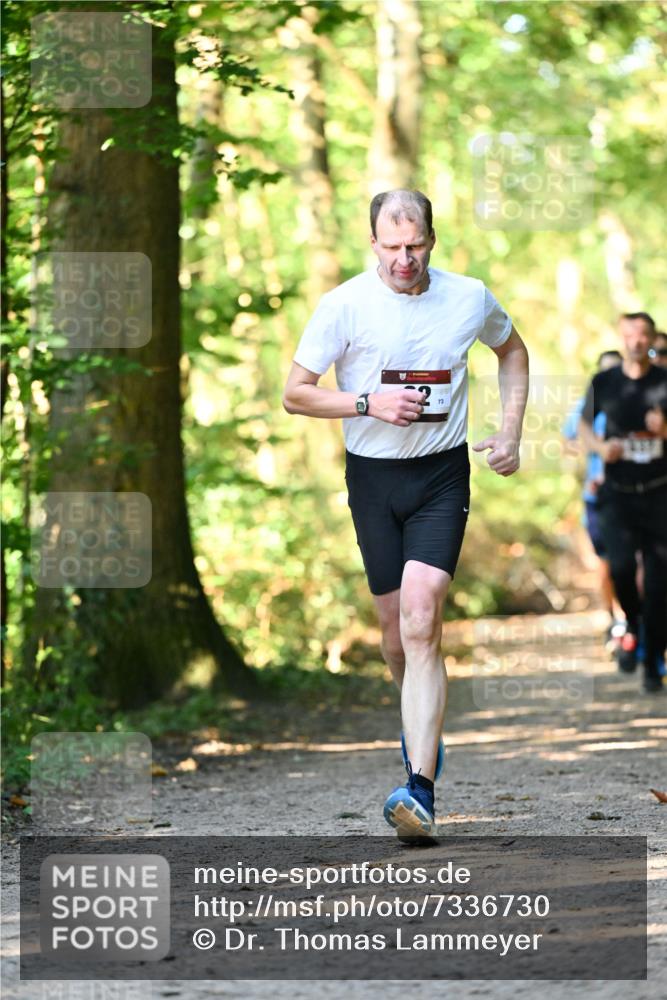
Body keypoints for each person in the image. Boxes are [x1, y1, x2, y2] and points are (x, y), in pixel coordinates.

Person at [283, 189, 529, 840]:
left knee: (423, 617)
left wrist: (508, 432)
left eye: (413, 246)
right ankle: (417, 727)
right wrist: (366, 403)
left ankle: (418, 787)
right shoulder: (342, 306)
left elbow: (512, 353)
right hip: (371, 479)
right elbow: (295, 394)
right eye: (390, 247)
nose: (402, 259)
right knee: (395, 637)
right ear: (372, 244)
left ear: (432, 240)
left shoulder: (468, 296)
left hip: (441, 474)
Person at [579, 312, 667, 693]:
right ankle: (631, 621)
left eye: (642, 334)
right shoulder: (604, 381)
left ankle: (652, 662)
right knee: (619, 569)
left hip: (660, 493)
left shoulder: (665, 382)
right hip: (618, 495)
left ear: (649, 339)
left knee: (661, 586)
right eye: (629, 334)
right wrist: (602, 448)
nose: (635, 340)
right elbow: (583, 426)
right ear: (622, 337)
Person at [563, 350, 623, 644]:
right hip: (596, 494)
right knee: (606, 562)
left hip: (633, 492)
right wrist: (594, 448)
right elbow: (568, 443)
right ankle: (614, 620)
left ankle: (638, 621)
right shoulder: (585, 408)